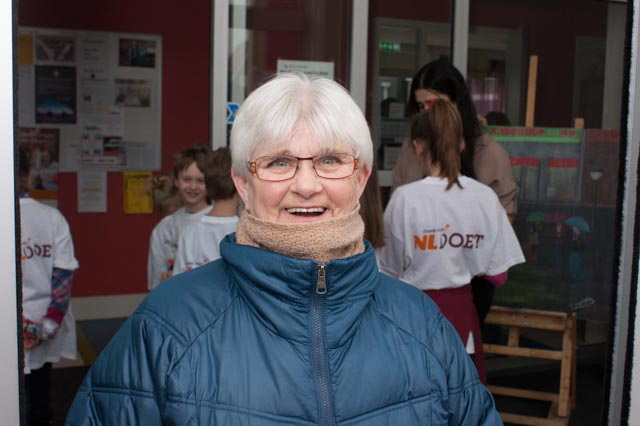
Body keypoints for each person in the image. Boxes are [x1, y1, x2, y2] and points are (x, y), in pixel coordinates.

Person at [67, 73, 502, 425]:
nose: (306, 185)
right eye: (279, 162)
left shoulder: (421, 324)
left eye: (330, 160)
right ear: (242, 182)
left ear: (361, 178)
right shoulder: (168, 326)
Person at [378, 99, 525, 383]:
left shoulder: (405, 199)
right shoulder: (484, 197)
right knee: (461, 397)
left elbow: (386, 272)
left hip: (412, 323)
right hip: (462, 324)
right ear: (461, 144)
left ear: (417, 146)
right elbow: (499, 275)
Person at [392, 59, 518, 325]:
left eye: (433, 104)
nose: (426, 113)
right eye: (420, 106)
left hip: (470, 283)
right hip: (415, 281)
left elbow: (502, 225)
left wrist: (453, 245)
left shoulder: (489, 152)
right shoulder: (410, 149)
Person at [19, 148, 79, 425]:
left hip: (16, 326)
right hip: (45, 323)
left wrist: (22, 326)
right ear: (28, 174)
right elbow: (62, 279)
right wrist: (45, 327)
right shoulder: (52, 217)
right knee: (40, 391)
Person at [147, 145, 213, 289]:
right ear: (176, 181)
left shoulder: (219, 222)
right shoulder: (165, 228)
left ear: (210, 183)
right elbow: (156, 283)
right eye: (187, 179)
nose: (193, 186)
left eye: (200, 180)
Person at [173, 147, 240, 274]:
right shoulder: (245, 232)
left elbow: (178, 279)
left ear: (207, 185)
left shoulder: (189, 232)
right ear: (242, 184)